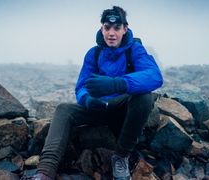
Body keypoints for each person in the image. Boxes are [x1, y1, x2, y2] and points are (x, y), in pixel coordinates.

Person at [22, 6, 163, 180]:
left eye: (117, 28)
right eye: (107, 27)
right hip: (98, 108)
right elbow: (81, 86)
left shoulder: (134, 50)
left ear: (125, 29)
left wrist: (116, 84)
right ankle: (44, 172)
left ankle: (121, 156)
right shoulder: (94, 54)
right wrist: (87, 100)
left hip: (123, 111)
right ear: (101, 28)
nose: (111, 33)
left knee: (144, 97)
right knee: (63, 109)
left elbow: (155, 76)